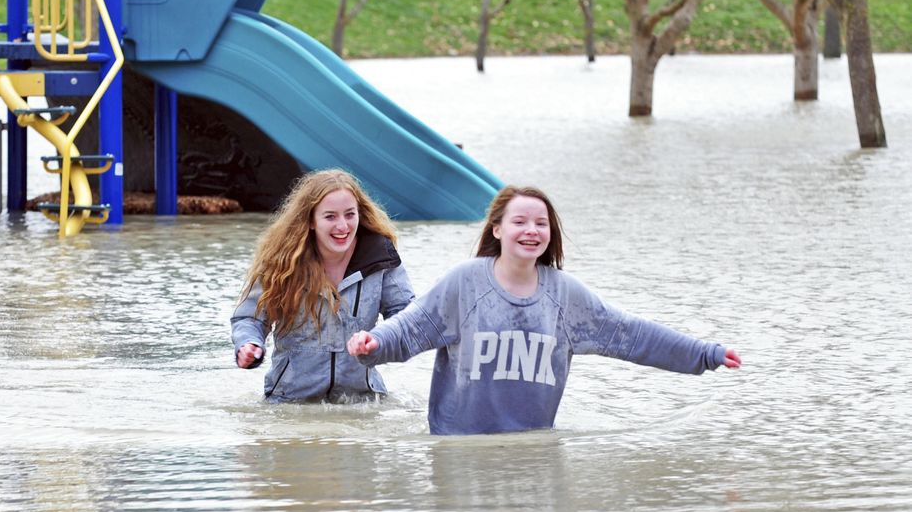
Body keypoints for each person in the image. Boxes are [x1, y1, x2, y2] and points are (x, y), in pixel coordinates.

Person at [347, 185, 742, 435]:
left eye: (541, 223)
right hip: (459, 447)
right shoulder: (465, 283)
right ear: (498, 229)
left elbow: (632, 336)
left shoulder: (564, 296)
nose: (531, 230)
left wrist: (704, 354)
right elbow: (412, 329)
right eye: (520, 221)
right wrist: (373, 343)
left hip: (531, 446)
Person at [231, 169, 415, 402]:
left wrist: (380, 339)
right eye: (330, 217)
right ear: (310, 221)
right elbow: (249, 319)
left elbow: (407, 317)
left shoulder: (381, 258)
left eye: (350, 214)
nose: (343, 226)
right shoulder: (281, 262)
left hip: (362, 402)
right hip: (289, 403)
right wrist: (249, 344)